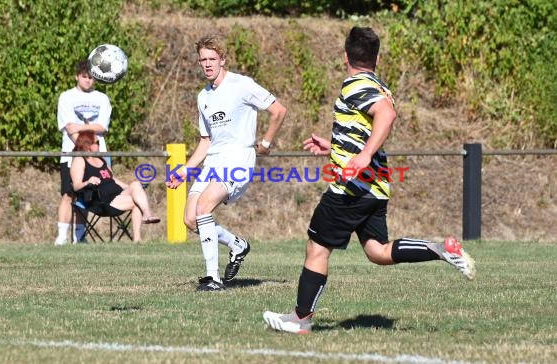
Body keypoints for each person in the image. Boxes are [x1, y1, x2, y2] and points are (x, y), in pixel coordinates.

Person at [263, 26, 476, 334]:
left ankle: (300, 320)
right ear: (377, 57)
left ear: (346, 55)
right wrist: (334, 148)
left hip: (351, 188)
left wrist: (362, 157)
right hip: (374, 186)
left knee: (317, 248)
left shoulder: (354, 84)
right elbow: (368, 125)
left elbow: (386, 115)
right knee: (377, 251)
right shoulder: (378, 84)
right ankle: (440, 249)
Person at [166, 34, 287, 291]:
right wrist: (185, 170)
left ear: (223, 59)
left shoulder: (241, 85)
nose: (208, 64)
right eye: (203, 60)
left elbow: (279, 110)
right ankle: (237, 245)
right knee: (190, 219)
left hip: (238, 160)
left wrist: (265, 142)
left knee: (203, 208)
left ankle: (213, 278)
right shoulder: (203, 97)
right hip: (213, 161)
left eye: (212, 58)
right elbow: (206, 142)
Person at [54, 59, 112, 245]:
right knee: (68, 193)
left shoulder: (102, 98)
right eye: (84, 77)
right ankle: (62, 237)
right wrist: (86, 138)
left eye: (91, 78)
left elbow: (102, 127)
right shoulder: (66, 97)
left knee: (87, 195)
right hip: (71, 155)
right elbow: (69, 129)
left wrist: (82, 127)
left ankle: (79, 237)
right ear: (77, 77)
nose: (88, 81)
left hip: (97, 156)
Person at [70, 130, 160, 242]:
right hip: (101, 201)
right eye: (97, 143)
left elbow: (113, 179)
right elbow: (76, 186)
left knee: (136, 185)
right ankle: (137, 239)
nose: (99, 145)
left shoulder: (100, 159)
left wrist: (133, 189)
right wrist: (88, 181)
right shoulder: (79, 160)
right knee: (136, 202)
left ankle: (147, 214)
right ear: (87, 145)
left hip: (116, 194)